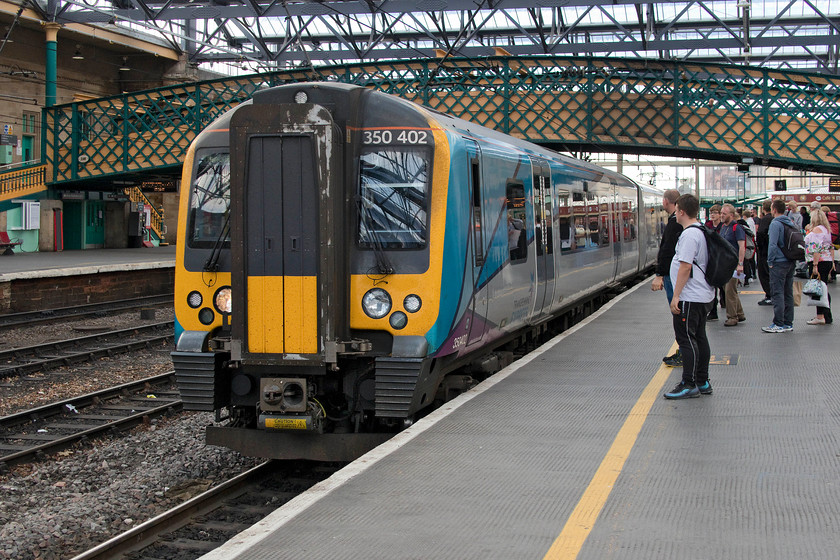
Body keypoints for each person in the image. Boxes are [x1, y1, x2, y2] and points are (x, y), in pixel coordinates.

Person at [663, 194, 715, 399]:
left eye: (676, 210)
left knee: (686, 339)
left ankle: (689, 383)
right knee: (699, 337)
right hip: (701, 295)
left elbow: (685, 266)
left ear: (682, 211)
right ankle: (702, 381)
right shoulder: (700, 230)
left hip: (690, 296)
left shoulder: (689, 235)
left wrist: (676, 296)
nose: (675, 214)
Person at [651, 189, 683, 366]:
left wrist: (659, 274)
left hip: (673, 276)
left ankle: (683, 352)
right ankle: (682, 351)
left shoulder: (674, 224)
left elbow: (667, 251)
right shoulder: (679, 224)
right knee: (679, 314)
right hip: (674, 275)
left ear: (666, 202)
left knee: (677, 313)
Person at [763, 199, 797, 333]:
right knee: (788, 292)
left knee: (777, 292)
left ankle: (778, 323)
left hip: (779, 261)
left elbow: (772, 244)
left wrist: (770, 261)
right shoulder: (790, 222)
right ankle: (788, 323)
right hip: (790, 260)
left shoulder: (775, 223)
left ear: (774, 209)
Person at [804, 208, 834, 325]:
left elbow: (816, 248)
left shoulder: (816, 230)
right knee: (823, 288)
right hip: (826, 260)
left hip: (818, 262)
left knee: (818, 290)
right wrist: (832, 262)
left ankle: (820, 316)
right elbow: (830, 246)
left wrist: (815, 265)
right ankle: (827, 316)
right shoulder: (826, 230)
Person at [719, 203, 746, 326]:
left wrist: (740, 263)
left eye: (724, 214)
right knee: (729, 289)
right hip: (725, 263)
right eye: (721, 213)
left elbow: (742, 246)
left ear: (731, 214)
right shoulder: (724, 227)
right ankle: (739, 313)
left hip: (734, 263)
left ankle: (732, 317)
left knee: (730, 289)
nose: (721, 215)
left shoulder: (737, 228)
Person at [704, 204, 722, 320]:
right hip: (711, 259)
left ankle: (724, 301)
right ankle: (713, 311)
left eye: (715, 213)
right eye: (711, 213)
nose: (712, 215)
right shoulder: (707, 226)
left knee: (724, 287)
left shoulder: (723, 227)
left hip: (721, 258)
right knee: (713, 286)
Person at [756, 200, 774, 305]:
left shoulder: (765, 220)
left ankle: (769, 295)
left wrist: (760, 246)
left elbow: (761, 234)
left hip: (764, 251)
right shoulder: (774, 220)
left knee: (764, 274)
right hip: (772, 250)